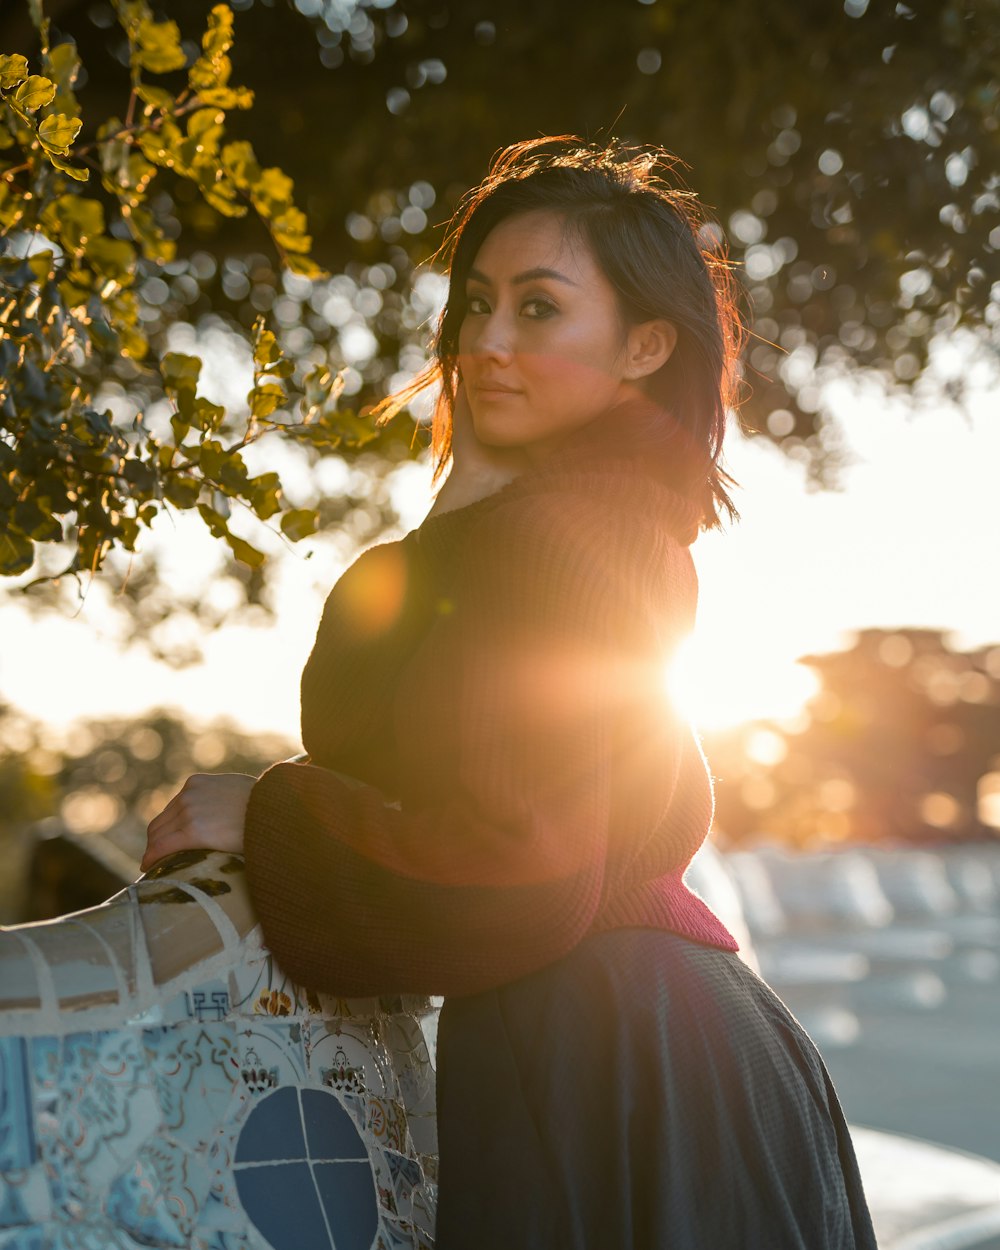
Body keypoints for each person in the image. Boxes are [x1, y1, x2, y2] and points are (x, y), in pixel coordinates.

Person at [143, 136, 878, 1249]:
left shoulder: (591, 540)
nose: (483, 342)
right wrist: (461, 496)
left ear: (642, 344)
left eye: (538, 309)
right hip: (613, 1037)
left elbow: (519, 874)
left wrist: (271, 811)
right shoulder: (535, 535)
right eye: (475, 302)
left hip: (624, 1050)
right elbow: (375, 749)